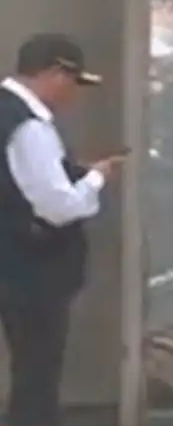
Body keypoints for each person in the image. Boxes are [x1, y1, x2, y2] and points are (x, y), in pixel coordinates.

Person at [0, 33, 123, 426]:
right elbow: (58, 207)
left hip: (10, 262)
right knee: (37, 378)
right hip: (33, 270)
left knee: (28, 373)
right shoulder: (29, 127)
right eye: (74, 83)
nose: (74, 95)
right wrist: (96, 180)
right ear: (56, 73)